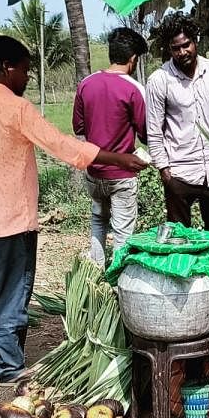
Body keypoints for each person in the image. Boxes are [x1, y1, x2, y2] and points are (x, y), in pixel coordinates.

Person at [0, 35, 146, 385]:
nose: (27, 79)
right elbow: (61, 145)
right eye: (25, 71)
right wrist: (118, 158)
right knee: (13, 294)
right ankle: (10, 369)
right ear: (7, 68)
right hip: (13, 219)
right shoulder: (15, 108)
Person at [146, 12, 209, 243]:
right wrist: (165, 172)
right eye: (176, 48)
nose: (182, 52)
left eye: (186, 45)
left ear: (195, 41)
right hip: (180, 172)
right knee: (179, 240)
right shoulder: (160, 80)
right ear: (169, 48)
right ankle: (184, 278)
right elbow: (154, 131)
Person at [73, 27, 149, 267]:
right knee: (123, 233)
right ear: (133, 59)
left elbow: (78, 128)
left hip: (94, 172)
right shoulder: (134, 89)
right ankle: (119, 284)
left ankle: (95, 275)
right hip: (122, 175)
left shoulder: (86, 84)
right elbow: (145, 133)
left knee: (98, 222)